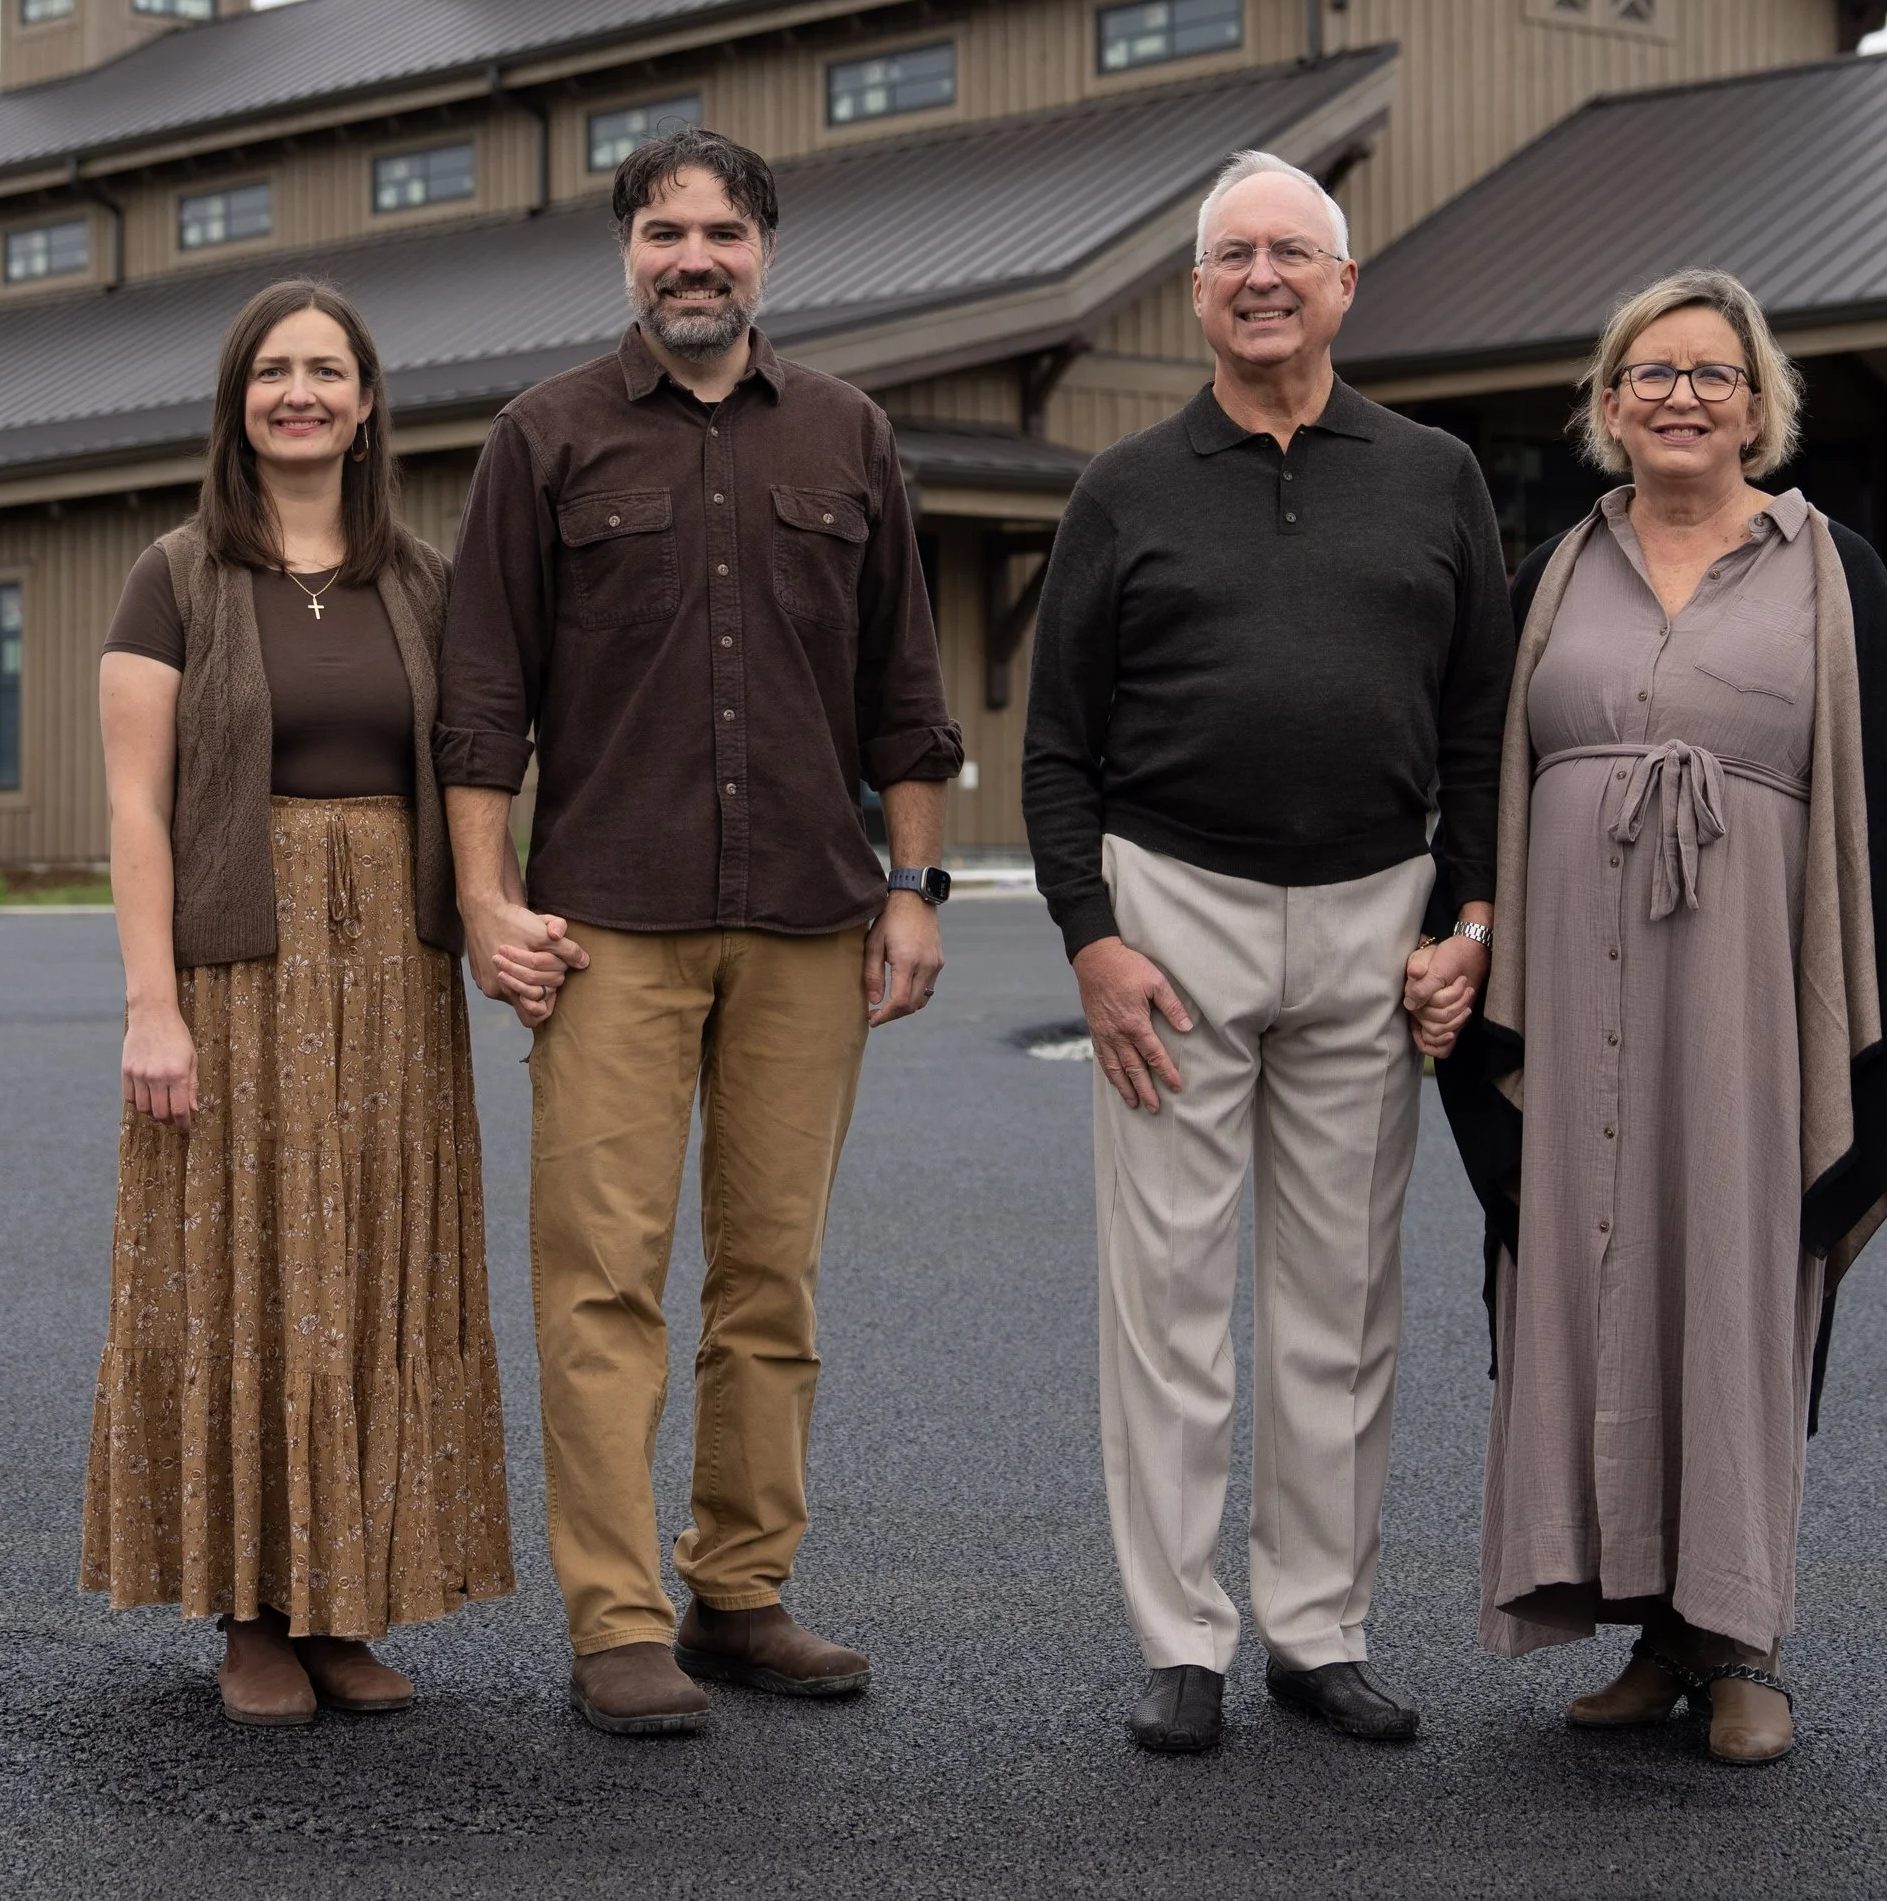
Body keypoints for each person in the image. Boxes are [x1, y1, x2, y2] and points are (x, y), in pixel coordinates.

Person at [434, 126, 963, 1738]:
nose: (693, 258)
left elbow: (907, 693)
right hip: (613, 923)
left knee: (770, 1278)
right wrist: (484, 900)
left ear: (767, 252)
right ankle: (616, 1621)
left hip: (812, 916)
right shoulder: (545, 438)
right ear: (626, 253)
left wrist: (916, 888)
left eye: (721, 232)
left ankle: (740, 1591)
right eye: (664, 231)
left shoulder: (849, 435)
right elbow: (480, 701)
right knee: (601, 1281)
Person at [1435, 267, 1887, 1765]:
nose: (1681, 396)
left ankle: (1740, 1640)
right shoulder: (1547, 571)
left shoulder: (1830, 570)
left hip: (1748, 999)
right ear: (1608, 405)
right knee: (1593, 1284)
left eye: (1712, 375)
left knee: (1732, 1288)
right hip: (1573, 985)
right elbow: (1480, 775)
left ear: (1759, 405)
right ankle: (1644, 1634)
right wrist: (1464, 936)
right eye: (1650, 374)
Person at [1021, 150, 1515, 1756]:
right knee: (1167, 1300)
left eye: (1291, 253)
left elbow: (1484, 723)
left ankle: (1318, 1628)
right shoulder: (1126, 487)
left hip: (1377, 915)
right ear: (1195, 295)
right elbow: (1056, 748)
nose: (1261, 278)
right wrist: (1093, 940)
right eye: (1231, 255)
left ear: (1343, 285)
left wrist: (1474, 920)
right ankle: (1180, 1638)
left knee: (1341, 1298)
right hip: (1177, 912)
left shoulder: (1435, 474)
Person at [82, 279, 514, 1728]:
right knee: (249, 1279)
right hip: (238, 971)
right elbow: (138, 808)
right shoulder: (177, 574)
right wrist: (154, 1006)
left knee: (376, 1271)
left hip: (393, 974)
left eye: (328, 370)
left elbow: (472, 772)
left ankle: (347, 1601)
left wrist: (499, 915)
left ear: (369, 402)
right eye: (273, 372)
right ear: (238, 402)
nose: (300, 394)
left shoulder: (424, 580)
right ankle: (250, 1615)